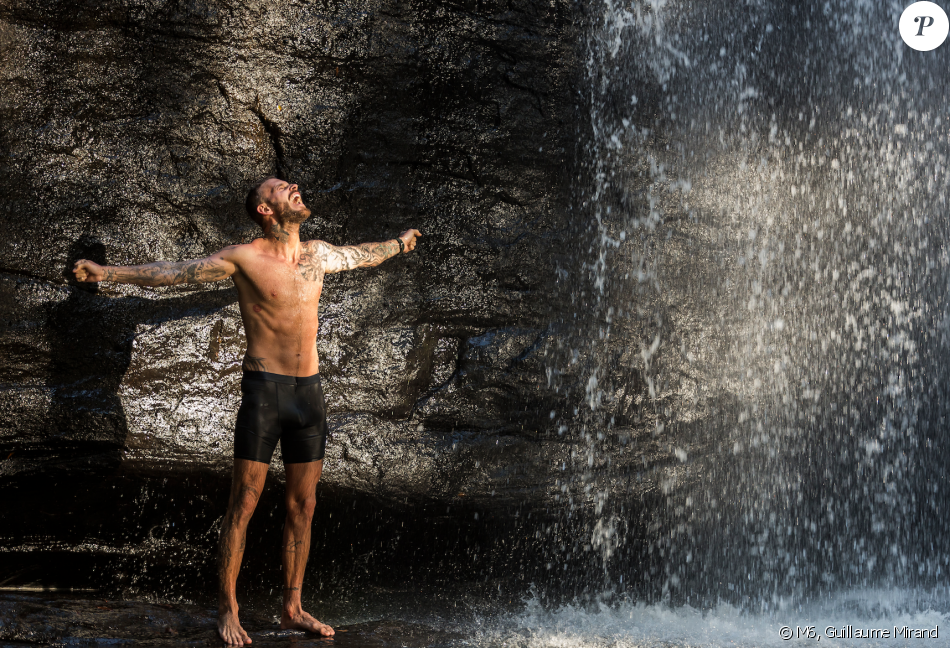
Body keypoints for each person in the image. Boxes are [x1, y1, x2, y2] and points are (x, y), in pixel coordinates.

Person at [73, 178, 421, 645]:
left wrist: (399, 244)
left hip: (309, 395)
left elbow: (361, 255)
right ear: (264, 209)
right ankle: (228, 610)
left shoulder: (317, 253)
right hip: (266, 394)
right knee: (244, 503)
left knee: (304, 505)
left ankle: (293, 608)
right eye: (280, 187)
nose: (293, 185)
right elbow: (176, 272)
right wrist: (108, 273)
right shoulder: (244, 258)